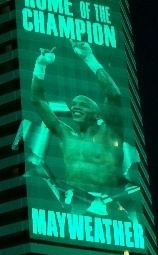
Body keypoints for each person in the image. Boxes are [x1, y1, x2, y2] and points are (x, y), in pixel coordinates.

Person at [29, 39, 132, 216]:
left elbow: (114, 94)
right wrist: (41, 65)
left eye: (83, 105)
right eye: (74, 104)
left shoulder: (110, 134)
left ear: (97, 115)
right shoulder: (66, 134)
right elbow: (38, 101)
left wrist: (88, 57)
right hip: (76, 206)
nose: (75, 107)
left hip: (110, 207)